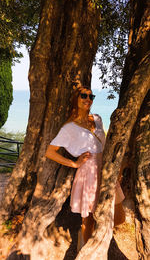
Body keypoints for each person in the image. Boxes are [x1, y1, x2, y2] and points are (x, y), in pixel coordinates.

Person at [45, 86, 125, 249]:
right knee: (88, 220)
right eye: (83, 95)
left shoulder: (97, 119)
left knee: (119, 216)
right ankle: (88, 249)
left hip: (106, 169)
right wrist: (74, 163)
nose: (88, 99)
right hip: (87, 173)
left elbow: (104, 143)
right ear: (76, 99)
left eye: (91, 96)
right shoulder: (68, 128)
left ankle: (98, 237)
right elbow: (50, 152)